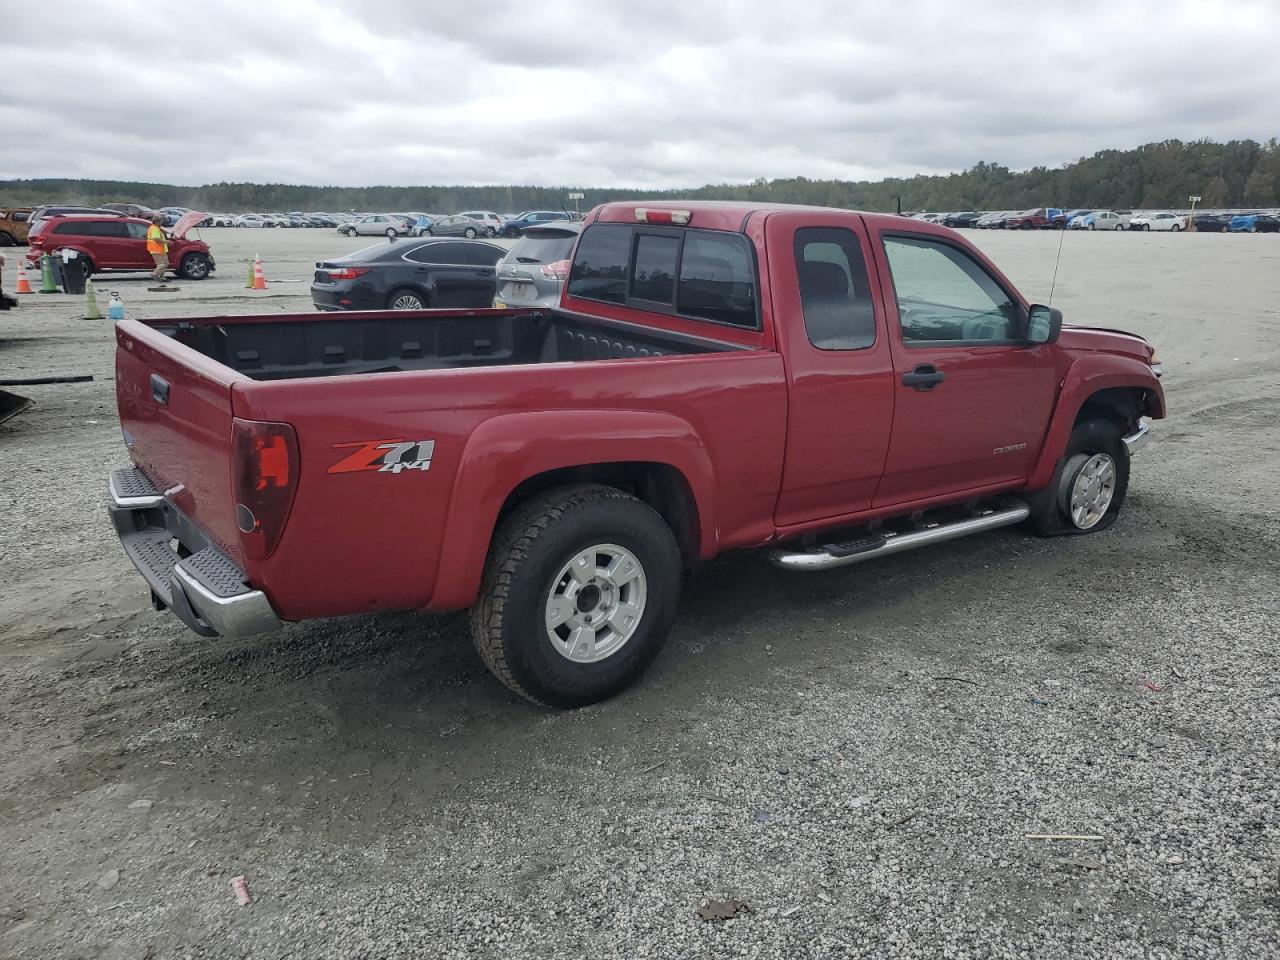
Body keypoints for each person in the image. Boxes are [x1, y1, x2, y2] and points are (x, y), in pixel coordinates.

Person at [146, 214, 169, 282]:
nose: (161, 223)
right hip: (157, 249)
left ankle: (161, 277)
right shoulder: (155, 229)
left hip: (156, 249)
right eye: (161, 221)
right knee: (164, 264)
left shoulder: (153, 227)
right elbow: (156, 238)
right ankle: (155, 273)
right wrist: (166, 241)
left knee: (161, 264)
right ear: (157, 222)